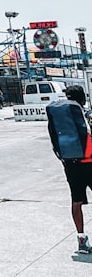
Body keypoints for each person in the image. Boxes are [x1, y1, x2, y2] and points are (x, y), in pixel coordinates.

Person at [47, 84, 92, 253]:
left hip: (70, 164)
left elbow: (54, 139)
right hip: (89, 161)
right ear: (83, 98)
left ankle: (81, 239)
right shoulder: (86, 115)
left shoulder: (59, 115)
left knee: (76, 201)